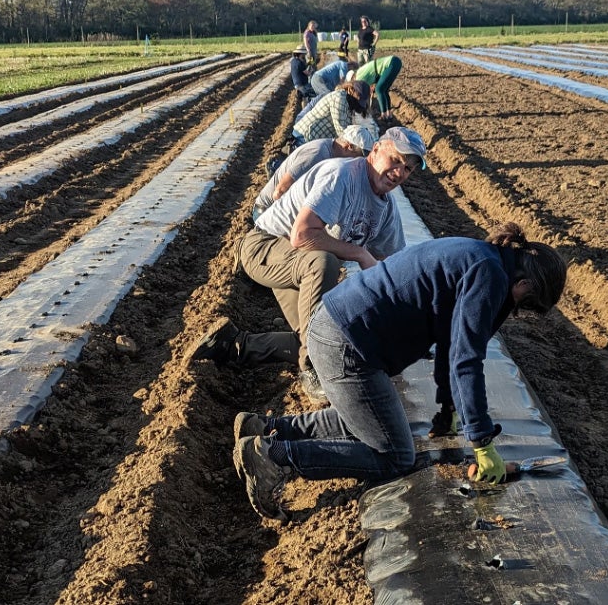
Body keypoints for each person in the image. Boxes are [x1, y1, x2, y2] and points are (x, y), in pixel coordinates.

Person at [232, 222, 569, 521]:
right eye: (525, 304)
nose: (515, 310)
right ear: (525, 284)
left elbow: (451, 343)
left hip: (336, 325)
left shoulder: (482, 257)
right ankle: (275, 457)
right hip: (347, 344)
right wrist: (481, 443)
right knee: (396, 455)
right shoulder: (491, 276)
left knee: (373, 419)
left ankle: (267, 427)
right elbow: (466, 360)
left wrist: (448, 410)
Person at [191, 127, 428, 404]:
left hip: (299, 264)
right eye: (396, 160)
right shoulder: (342, 175)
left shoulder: (386, 209)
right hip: (264, 247)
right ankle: (311, 371)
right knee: (323, 262)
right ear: (375, 150)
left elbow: (391, 269)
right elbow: (302, 235)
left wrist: (412, 322)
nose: (399, 172)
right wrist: (361, 254)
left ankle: (231, 345)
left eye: (408, 169)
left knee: (332, 341)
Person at [254, 124, 377, 219]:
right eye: (359, 156)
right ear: (348, 146)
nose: (359, 162)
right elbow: (279, 192)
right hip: (267, 212)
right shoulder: (317, 154)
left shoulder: (332, 155)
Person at [292, 79, 372, 144]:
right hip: (304, 137)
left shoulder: (348, 107)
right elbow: (342, 131)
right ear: (351, 90)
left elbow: (347, 128)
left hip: (313, 140)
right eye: (358, 101)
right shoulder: (339, 97)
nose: (358, 106)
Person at [355, 54, 403, 121]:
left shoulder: (358, 77)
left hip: (391, 63)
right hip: (396, 62)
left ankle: (383, 115)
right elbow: (372, 76)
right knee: (384, 90)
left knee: (379, 89)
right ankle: (389, 114)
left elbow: (363, 94)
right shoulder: (360, 74)